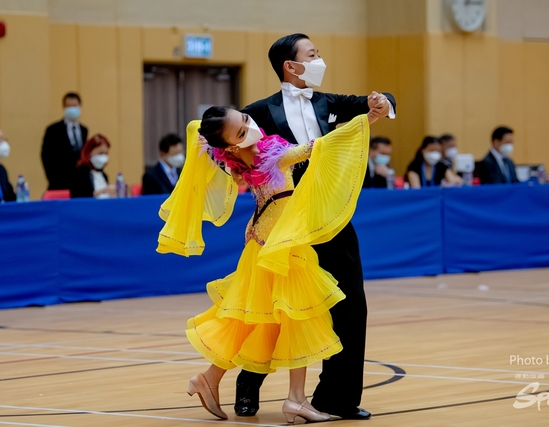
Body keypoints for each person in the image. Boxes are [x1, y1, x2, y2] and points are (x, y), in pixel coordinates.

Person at [157, 101, 384, 422]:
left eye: (245, 119)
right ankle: (294, 400)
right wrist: (365, 121)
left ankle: (213, 378)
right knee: (296, 314)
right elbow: (316, 146)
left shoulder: (236, 159)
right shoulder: (271, 154)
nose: (250, 127)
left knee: (259, 319)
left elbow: (201, 132)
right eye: (241, 131)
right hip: (279, 246)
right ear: (231, 145)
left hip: (265, 241)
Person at [237, 33, 396, 420]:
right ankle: (248, 384)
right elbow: (236, 153)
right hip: (284, 222)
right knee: (276, 310)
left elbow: (375, 102)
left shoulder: (330, 103)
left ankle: (337, 398)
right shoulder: (258, 112)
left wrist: (383, 102)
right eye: (312, 55)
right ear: (290, 66)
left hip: (331, 218)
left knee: (350, 305)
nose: (319, 60)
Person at [41, 92, 89, 190]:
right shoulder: (53, 130)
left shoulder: (84, 130)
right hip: (59, 182)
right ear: (64, 107)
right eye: (68, 106)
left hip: (81, 183)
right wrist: (53, 178)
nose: (72, 109)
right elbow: (46, 156)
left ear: (80, 106)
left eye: (74, 106)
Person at [70, 134, 115, 198]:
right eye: (100, 153)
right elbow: (78, 196)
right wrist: (100, 192)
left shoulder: (104, 175)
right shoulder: (79, 173)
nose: (103, 157)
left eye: (106, 154)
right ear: (89, 152)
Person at [0, 128, 16, 202]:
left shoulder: (1, 170)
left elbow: (10, 197)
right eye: (0, 139)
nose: (4, 143)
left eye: (3, 139)